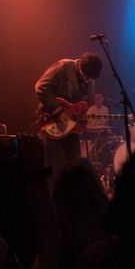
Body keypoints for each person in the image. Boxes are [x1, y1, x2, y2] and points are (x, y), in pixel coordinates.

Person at [35, 52, 103, 190]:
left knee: (76, 166)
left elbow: (83, 105)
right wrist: (59, 111)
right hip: (51, 122)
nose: (87, 80)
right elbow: (41, 88)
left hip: (71, 127)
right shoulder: (64, 66)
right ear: (80, 66)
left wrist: (82, 120)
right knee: (53, 168)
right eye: (86, 76)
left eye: (90, 78)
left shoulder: (90, 82)